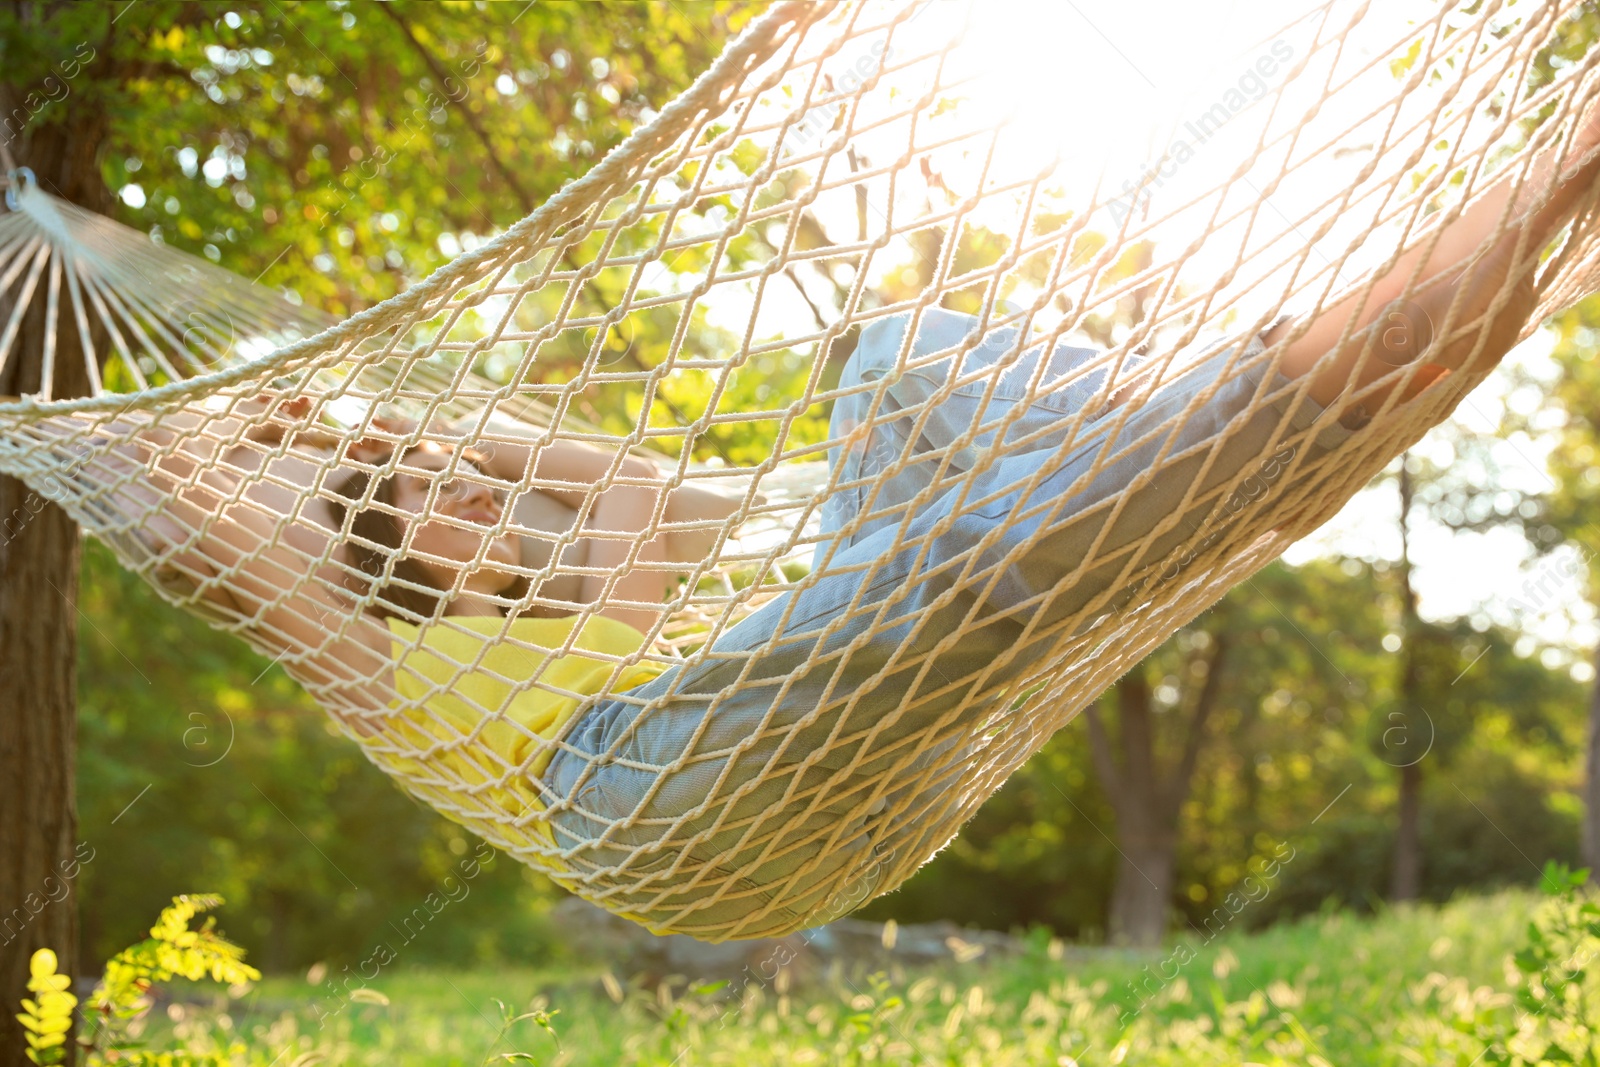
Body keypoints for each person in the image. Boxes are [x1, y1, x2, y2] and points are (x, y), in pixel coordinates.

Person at [103, 95, 1600, 937]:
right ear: (388, 567)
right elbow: (203, 515)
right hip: (652, 804)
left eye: (459, 480)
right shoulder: (406, 685)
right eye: (424, 506)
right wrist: (254, 425)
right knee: (960, 566)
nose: (467, 493)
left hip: (782, 732)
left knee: (889, 359)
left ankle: (1170, 424)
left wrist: (399, 420)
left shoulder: (609, 598)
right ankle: (1273, 393)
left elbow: (626, 486)